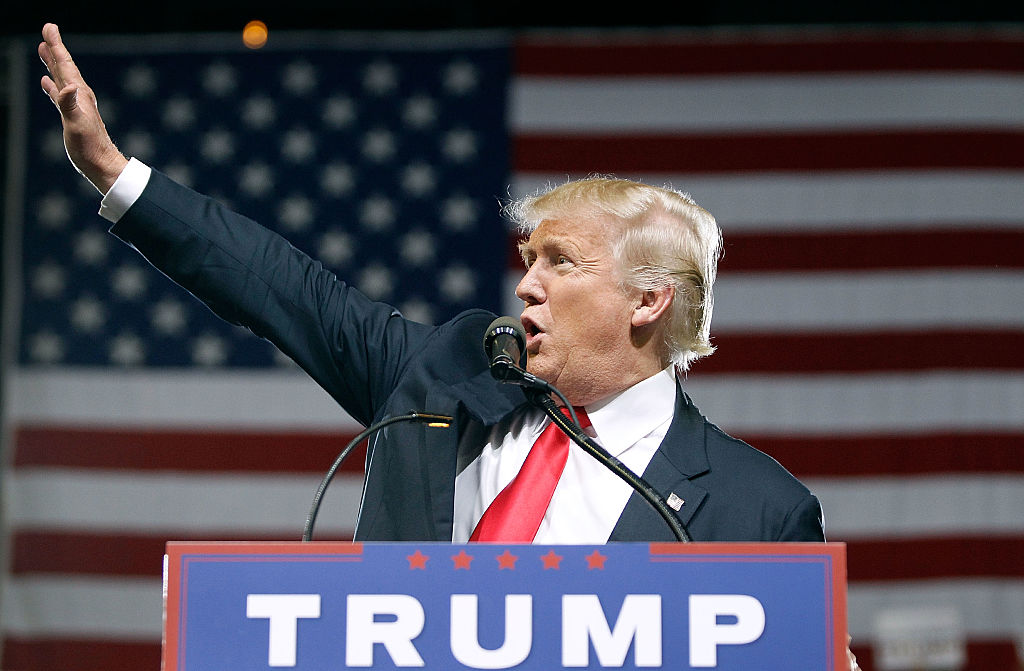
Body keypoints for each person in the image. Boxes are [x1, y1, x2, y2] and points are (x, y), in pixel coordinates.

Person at [37, 22, 823, 544]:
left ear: (649, 300)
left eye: (560, 262)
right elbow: (283, 287)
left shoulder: (761, 510)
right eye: (529, 259)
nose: (527, 287)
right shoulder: (447, 376)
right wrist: (114, 172)